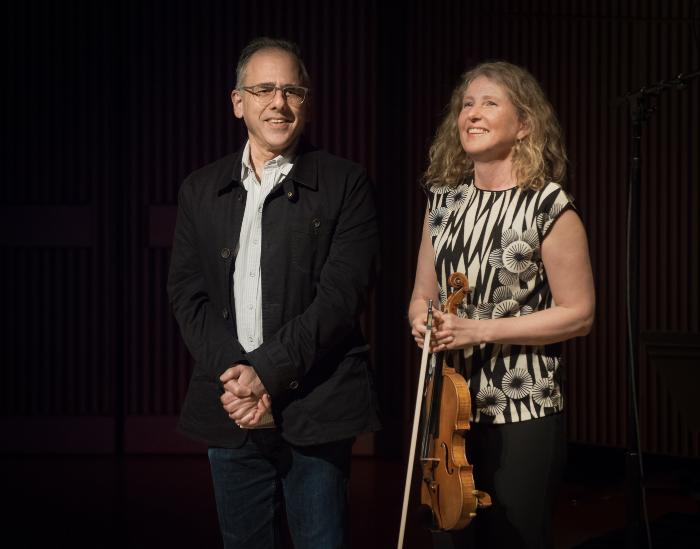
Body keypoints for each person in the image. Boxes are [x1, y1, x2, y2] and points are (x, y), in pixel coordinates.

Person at [167, 37, 380, 549]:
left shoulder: (346, 183)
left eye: (291, 90)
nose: (277, 103)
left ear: (307, 102)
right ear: (238, 102)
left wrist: (266, 375)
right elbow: (186, 293)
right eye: (263, 89)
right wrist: (240, 382)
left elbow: (341, 298)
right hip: (232, 404)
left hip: (316, 405)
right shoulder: (200, 188)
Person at [409, 61, 595, 548]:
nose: (472, 113)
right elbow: (422, 294)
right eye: (466, 104)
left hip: (523, 409)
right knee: (448, 536)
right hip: (446, 408)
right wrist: (420, 320)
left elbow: (579, 314)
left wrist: (478, 331)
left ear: (525, 123)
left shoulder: (549, 206)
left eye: (490, 103)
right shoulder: (443, 201)